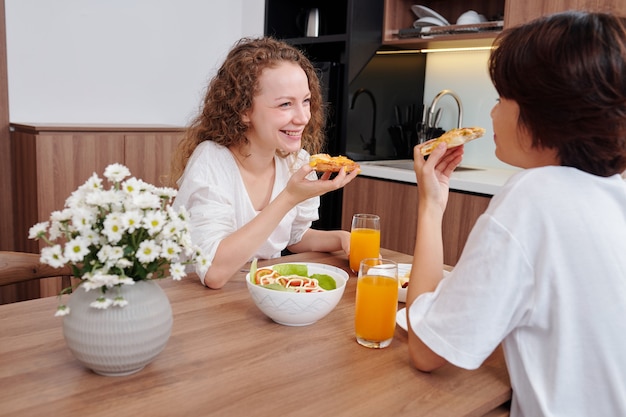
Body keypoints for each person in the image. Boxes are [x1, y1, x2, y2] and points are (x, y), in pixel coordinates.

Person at [406, 11, 626, 417]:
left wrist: (430, 205)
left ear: (544, 113)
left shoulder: (536, 194)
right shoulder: (615, 193)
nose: (492, 114)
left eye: (502, 99)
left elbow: (425, 348)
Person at [170, 37, 358, 289]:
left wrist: (342, 239)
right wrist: (289, 197)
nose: (303, 117)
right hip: (204, 303)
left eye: (306, 101)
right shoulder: (211, 161)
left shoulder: (296, 160)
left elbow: (293, 237)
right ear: (244, 110)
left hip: (265, 293)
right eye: (285, 104)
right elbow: (213, 272)